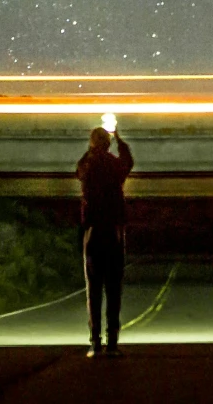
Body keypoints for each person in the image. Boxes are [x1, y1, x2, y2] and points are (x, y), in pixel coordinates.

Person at [75, 123, 133, 354]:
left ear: (92, 144)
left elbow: (78, 170)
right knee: (113, 290)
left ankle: (95, 341)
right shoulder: (114, 165)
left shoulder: (88, 164)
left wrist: (91, 149)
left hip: (93, 233)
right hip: (114, 233)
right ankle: (112, 343)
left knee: (94, 291)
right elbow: (128, 162)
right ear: (108, 144)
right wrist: (119, 138)